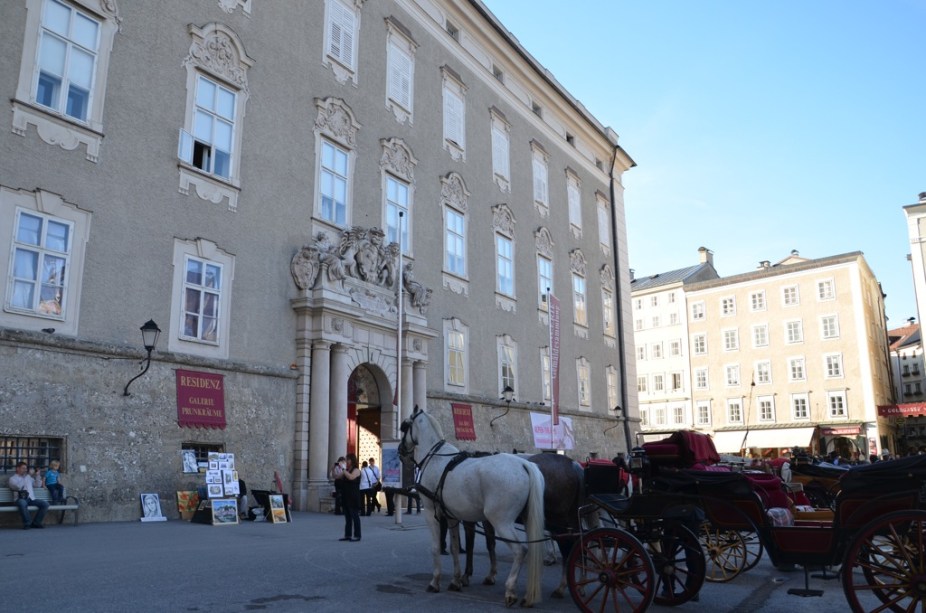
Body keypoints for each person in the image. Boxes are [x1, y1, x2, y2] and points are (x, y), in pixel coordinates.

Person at [9, 461, 49, 529]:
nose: (25, 470)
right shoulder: (12, 479)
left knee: (45, 504)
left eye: (26, 468)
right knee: (22, 503)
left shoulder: (28, 477)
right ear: (17, 468)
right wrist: (27, 476)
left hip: (31, 498)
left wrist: (37, 475)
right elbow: (19, 487)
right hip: (20, 499)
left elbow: (37, 485)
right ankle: (27, 523)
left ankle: (36, 522)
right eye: (23, 468)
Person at [336, 453, 361, 541]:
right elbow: (336, 477)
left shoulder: (356, 470)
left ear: (352, 460)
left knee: (354, 516)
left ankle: (357, 535)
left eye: (348, 459)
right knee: (347, 517)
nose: (346, 461)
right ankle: (348, 535)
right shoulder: (346, 470)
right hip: (346, 496)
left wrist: (343, 469)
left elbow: (351, 477)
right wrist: (334, 467)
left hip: (353, 496)